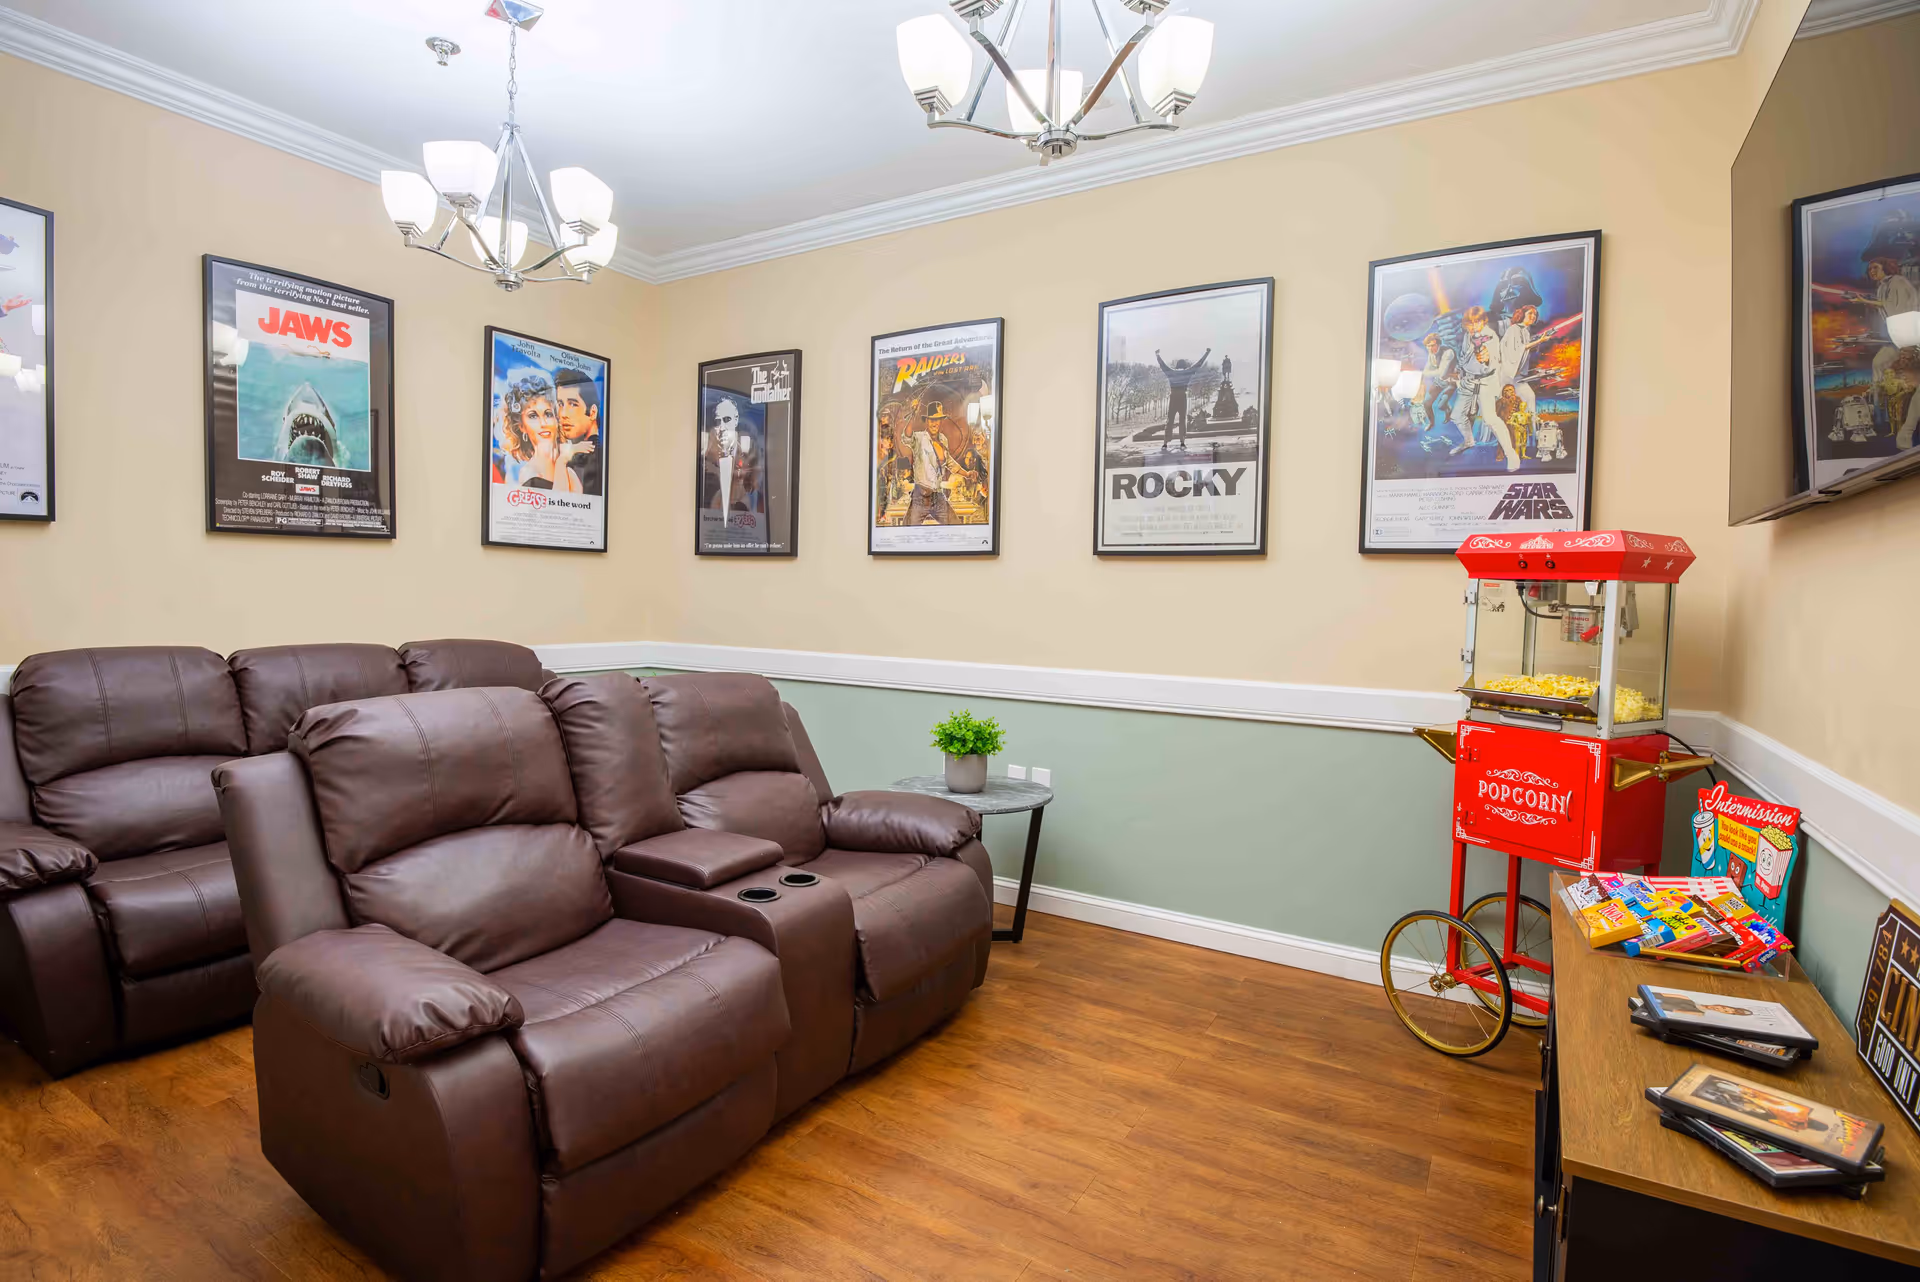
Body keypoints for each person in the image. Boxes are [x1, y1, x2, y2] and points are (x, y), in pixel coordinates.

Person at [497, 374, 580, 492]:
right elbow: (558, 501)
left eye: (548, 414)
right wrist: (561, 462)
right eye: (533, 416)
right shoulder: (528, 473)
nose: (543, 423)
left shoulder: (572, 469)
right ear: (521, 426)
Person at [905, 398, 958, 526]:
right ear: (927, 421)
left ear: (941, 421)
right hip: (920, 497)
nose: (935, 423)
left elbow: (949, 461)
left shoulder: (943, 439)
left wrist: (967, 474)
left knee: (955, 524)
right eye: (932, 420)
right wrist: (913, 414)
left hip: (937, 496)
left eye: (938, 419)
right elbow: (907, 437)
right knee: (908, 529)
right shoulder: (919, 438)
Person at [552, 367, 603, 496]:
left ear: (592, 412)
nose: (563, 414)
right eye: (560, 404)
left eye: (573, 404)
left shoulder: (590, 459)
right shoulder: (575, 454)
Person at [1154, 348, 1212, 448]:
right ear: (1184, 366)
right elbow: (1199, 364)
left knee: (1170, 419)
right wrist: (1207, 353)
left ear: (1177, 366)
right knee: (1182, 419)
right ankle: (1182, 441)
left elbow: (1162, 365)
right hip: (1182, 396)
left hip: (1173, 396)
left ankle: (1165, 442)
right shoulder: (1187, 372)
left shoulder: (1171, 372)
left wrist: (1157, 355)